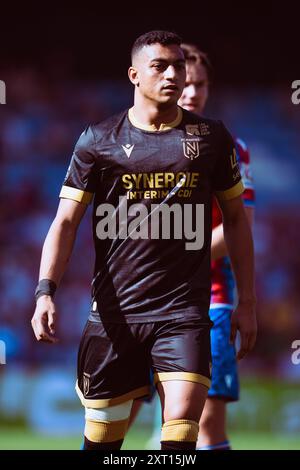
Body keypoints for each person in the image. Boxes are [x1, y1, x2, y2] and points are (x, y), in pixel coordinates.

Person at [31, 30, 257, 451]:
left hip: (185, 314)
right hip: (115, 315)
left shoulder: (212, 139)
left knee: (184, 430)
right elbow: (65, 222)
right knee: (103, 446)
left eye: (178, 66)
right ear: (134, 75)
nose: (174, 74)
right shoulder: (98, 141)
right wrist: (46, 292)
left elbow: (239, 221)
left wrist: (247, 301)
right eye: (161, 66)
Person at [129, 44, 256, 451]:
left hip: (210, 303)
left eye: (200, 84)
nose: (192, 91)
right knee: (113, 418)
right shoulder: (135, 145)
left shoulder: (230, 149)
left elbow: (240, 227)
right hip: (142, 303)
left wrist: (177, 257)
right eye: (185, 82)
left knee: (205, 429)